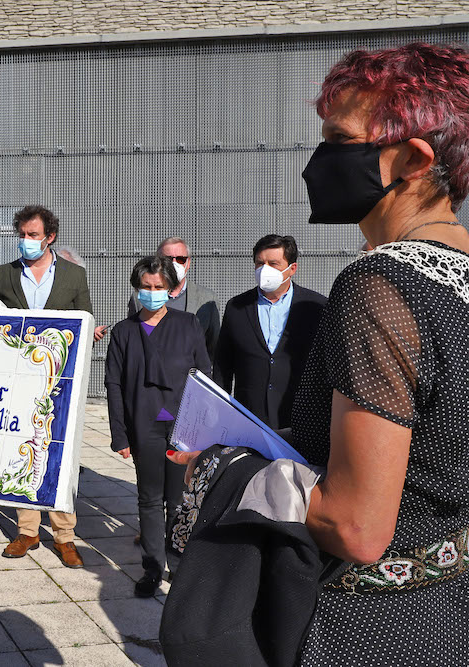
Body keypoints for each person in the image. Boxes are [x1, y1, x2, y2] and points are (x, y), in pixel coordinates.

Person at [171, 42, 469, 664]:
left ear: (412, 159)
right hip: (446, 607)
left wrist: (223, 464)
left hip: (366, 623)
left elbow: (357, 527)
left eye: (339, 139)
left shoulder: (381, 285)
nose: (318, 160)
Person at [0, 205, 106, 569]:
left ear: (50, 237)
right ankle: (27, 530)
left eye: (33, 235)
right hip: (19, 380)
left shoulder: (73, 275)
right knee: (23, 451)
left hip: (60, 380)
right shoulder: (3, 274)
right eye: (22, 235)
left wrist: (91, 335)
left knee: (61, 455)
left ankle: (64, 536)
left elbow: (84, 320)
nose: (26, 242)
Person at [105, 256, 210, 597]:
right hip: (144, 426)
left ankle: (179, 565)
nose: (151, 293)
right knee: (149, 499)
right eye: (145, 288)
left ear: (171, 289)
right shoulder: (123, 332)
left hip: (183, 427)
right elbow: (115, 386)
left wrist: (206, 427)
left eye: (158, 288)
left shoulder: (188, 324)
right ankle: (152, 567)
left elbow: (205, 376)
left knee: (180, 500)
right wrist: (119, 434)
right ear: (136, 290)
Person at [212, 234, 326, 429]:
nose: (265, 270)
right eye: (260, 263)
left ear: (292, 268)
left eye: (273, 264)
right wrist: (219, 410)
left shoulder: (316, 306)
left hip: (300, 419)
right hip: (250, 418)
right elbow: (224, 364)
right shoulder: (237, 307)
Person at [128, 237, 220, 360]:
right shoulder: (140, 297)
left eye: (181, 259)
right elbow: (132, 340)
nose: (174, 263)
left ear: (188, 263)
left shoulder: (207, 298)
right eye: (168, 259)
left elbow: (214, 345)